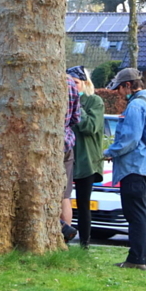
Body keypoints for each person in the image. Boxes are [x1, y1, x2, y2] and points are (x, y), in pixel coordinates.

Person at [104, 67, 146, 270]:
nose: (118, 92)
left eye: (119, 88)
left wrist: (110, 151)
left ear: (128, 85)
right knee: (144, 213)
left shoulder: (136, 106)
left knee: (135, 215)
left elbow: (130, 139)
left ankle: (136, 260)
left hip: (134, 168)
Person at [67, 66, 104, 248]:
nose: (72, 87)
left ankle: (84, 244)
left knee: (83, 203)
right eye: (69, 84)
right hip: (67, 157)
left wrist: (76, 106)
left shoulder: (94, 101)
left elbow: (91, 126)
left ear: (85, 84)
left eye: (75, 83)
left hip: (86, 160)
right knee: (63, 199)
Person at [61, 72, 82, 241]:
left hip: (42, 143)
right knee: (65, 195)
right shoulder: (70, 82)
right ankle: (64, 240)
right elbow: (76, 117)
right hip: (66, 143)